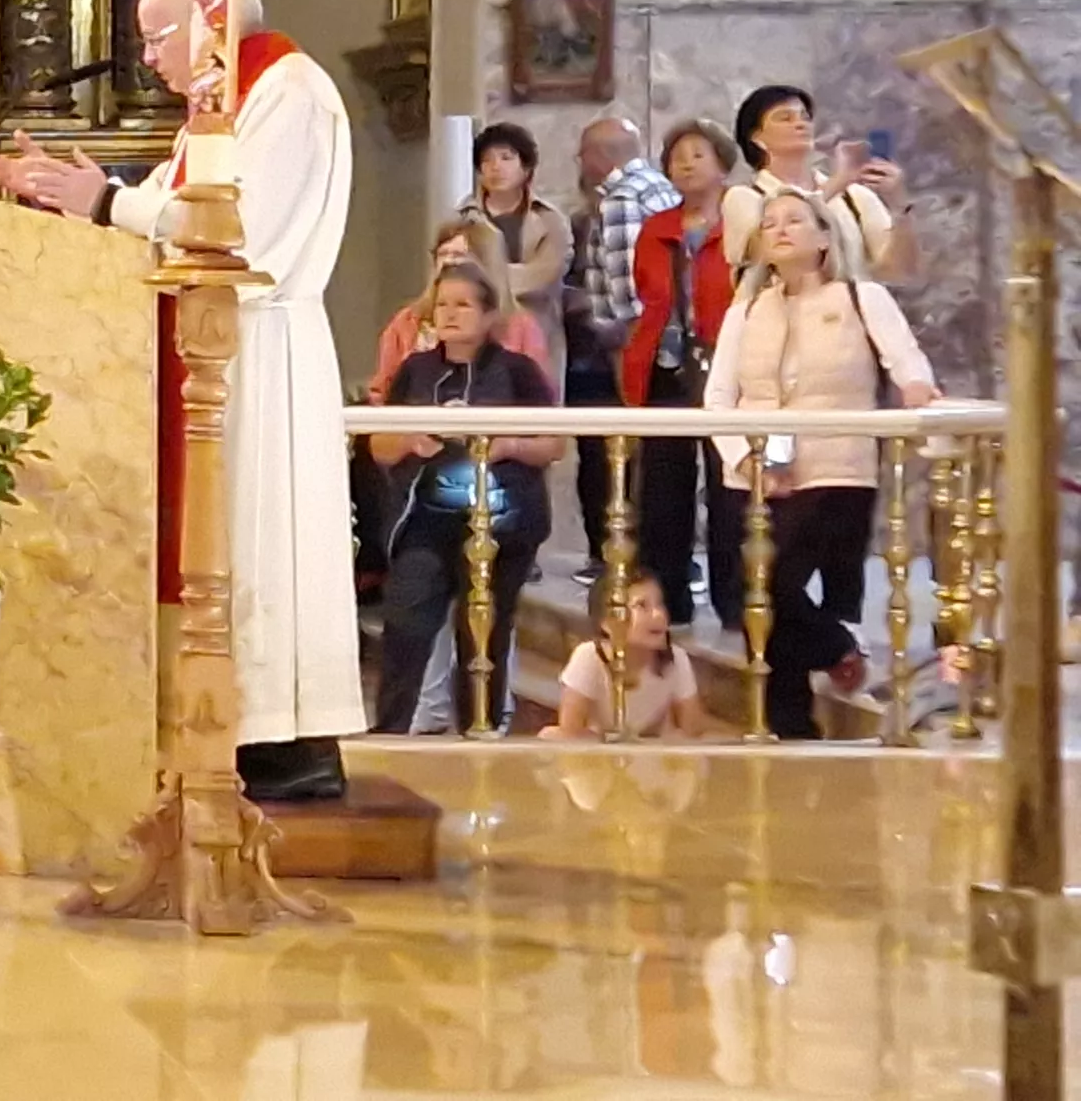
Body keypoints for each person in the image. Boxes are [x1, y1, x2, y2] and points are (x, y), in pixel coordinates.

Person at [0, 0, 359, 802]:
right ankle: (227, 729)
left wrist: (106, 200)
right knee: (224, 542)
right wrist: (62, 194)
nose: (150, 57)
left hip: (261, 350)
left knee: (260, 539)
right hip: (213, 349)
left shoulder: (286, 91)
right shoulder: (213, 117)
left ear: (211, 19)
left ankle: (284, 739)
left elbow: (240, 231)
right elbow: (155, 211)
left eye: (158, 36)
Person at [706, 187, 939, 739]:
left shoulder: (860, 297)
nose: (781, 230)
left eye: (794, 220)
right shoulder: (748, 309)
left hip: (838, 467)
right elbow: (719, 397)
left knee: (776, 581)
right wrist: (746, 458)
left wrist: (916, 385)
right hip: (760, 469)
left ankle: (825, 663)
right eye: (770, 224)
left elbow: (909, 364)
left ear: (824, 235)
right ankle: (794, 719)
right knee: (755, 592)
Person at [361, 265, 560, 734]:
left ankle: (481, 732)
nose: (449, 314)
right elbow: (379, 446)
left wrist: (506, 445)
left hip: (499, 521)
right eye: (443, 304)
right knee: (405, 626)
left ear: (490, 315)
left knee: (484, 636)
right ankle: (391, 732)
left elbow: (552, 443)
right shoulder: (415, 370)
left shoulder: (518, 371)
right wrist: (411, 439)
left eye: (463, 304)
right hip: (425, 519)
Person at [621, 121, 743, 631]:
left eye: (698, 154)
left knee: (730, 489)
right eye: (677, 157)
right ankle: (668, 599)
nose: (687, 164)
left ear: (722, 161)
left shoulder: (743, 222)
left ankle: (736, 601)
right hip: (667, 368)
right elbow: (644, 292)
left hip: (729, 369)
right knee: (663, 491)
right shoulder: (657, 227)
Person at [565, 117, 681, 579]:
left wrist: (619, 343)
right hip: (670, 345)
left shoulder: (621, 198)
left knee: (632, 453)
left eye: (582, 154)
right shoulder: (658, 187)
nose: (580, 164)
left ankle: (633, 558)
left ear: (599, 155)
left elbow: (628, 287)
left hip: (639, 343)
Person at [720, 83, 912, 285]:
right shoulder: (744, 197)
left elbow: (901, 272)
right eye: (786, 118)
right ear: (757, 138)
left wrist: (900, 208)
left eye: (805, 117)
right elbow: (764, 250)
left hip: (847, 313)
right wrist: (839, 181)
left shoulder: (853, 196)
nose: (801, 124)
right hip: (777, 314)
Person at [365, 217, 549, 399]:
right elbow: (384, 392)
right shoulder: (407, 322)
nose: (448, 263)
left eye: (459, 256)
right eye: (443, 254)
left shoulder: (520, 327)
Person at [542, 566, 710, 740]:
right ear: (607, 622)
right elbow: (570, 730)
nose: (658, 614)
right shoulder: (589, 657)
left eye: (660, 604)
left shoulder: (676, 659)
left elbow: (693, 730)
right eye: (642, 606)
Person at [464, 123, 572, 385]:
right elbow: (455, 274)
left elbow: (545, 275)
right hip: (477, 330)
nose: (496, 167)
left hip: (537, 328)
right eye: (487, 160)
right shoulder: (463, 219)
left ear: (526, 168)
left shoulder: (549, 220)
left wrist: (487, 275)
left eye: (506, 158)